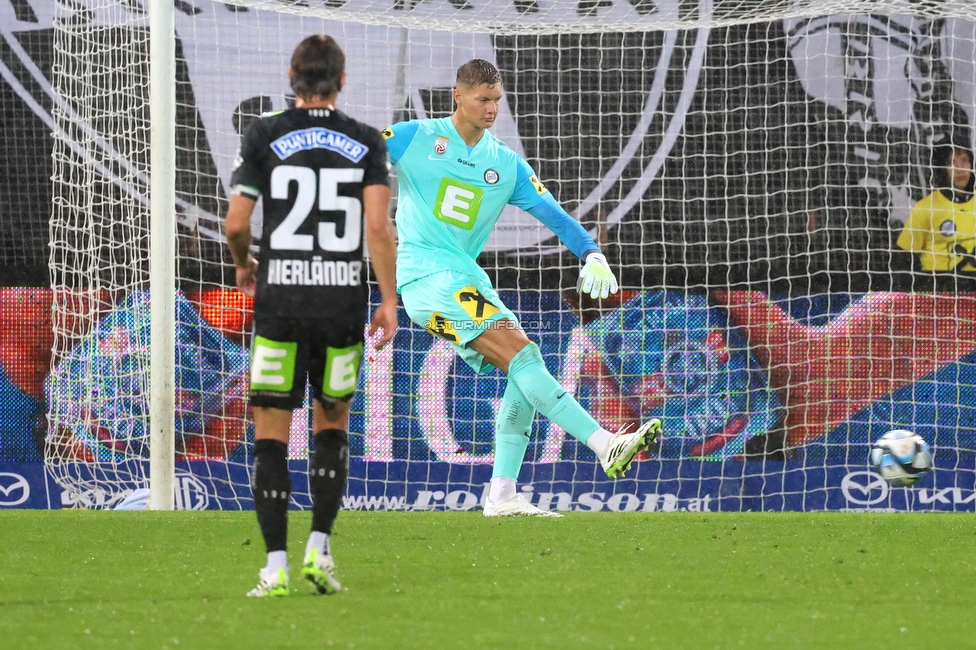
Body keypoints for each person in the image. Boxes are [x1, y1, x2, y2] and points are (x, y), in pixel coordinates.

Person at [383, 59, 661, 518]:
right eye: (482, 99)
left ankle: (501, 495)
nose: (492, 108)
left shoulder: (505, 164)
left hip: (465, 278)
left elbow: (555, 216)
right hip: (426, 277)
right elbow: (356, 156)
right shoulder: (414, 137)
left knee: (523, 367)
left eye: (497, 99)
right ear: (458, 95)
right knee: (524, 356)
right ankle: (605, 443)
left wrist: (592, 253)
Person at [225, 34, 398, 597]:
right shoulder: (366, 140)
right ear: (341, 81)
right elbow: (377, 228)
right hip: (340, 308)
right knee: (332, 425)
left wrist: (245, 265)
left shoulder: (265, 134)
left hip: (280, 306)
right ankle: (318, 554)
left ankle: (273, 568)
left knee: (271, 430)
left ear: (292, 76)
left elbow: (234, 224)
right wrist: (389, 298)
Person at [896, 144, 976, 275]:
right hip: (938, 287)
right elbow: (904, 259)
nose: (960, 168)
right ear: (942, 169)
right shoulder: (925, 208)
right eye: (952, 162)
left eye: (964, 160)